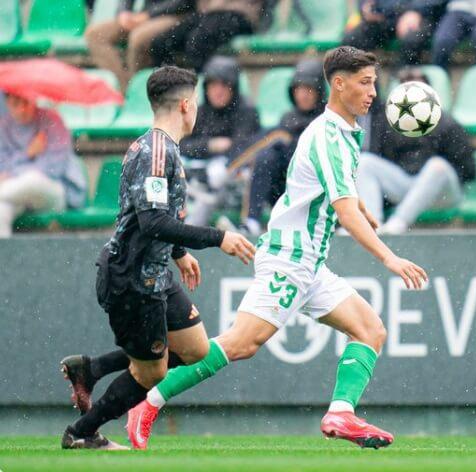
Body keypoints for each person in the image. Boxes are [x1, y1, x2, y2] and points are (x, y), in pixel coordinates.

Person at [125, 46, 429, 451]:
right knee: (240, 343)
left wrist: (362, 208)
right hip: (289, 260)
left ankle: (340, 412)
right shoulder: (327, 136)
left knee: (370, 329)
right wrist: (389, 256)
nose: (374, 92)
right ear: (339, 84)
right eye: (366, 82)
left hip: (310, 264)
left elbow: (335, 192)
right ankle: (148, 400)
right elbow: (342, 208)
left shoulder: (342, 131)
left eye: (374, 82)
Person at [60, 66, 255, 450]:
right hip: (131, 280)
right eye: (195, 101)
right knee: (151, 374)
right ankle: (81, 432)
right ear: (186, 104)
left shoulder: (159, 147)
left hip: (155, 274)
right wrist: (219, 238)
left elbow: (151, 214)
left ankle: (93, 367)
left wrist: (179, 253)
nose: (196, 108)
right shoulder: (156, 151)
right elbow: (151, 221)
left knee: (196, 349)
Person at [358, 66, 475, 234]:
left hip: (443, 193)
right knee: (365, 162)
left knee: (437, 166)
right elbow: (381, 158)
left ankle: (399, 223)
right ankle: (372, 225)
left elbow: (469, 169)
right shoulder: (388, 124)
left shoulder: (446, 123)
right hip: (408, 187)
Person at [239, 58, 327, 236]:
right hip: (285, 192)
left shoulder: (327, 118)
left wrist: (289, 145)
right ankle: (252, 221)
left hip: (317, 195)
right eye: (299, 89)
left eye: (309, 89)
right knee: (266, 155)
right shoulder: (288, 118)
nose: (303, 95)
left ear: (319, 91)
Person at [180, 56, 260, 226]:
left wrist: (211, 154)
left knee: (220, 173)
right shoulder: (200, 112)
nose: (218, 91)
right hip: (199, 178)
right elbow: (182, 145)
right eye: (213, 85)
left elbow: (241, 150)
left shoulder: (246, 111)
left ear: (234, 87)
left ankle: (191, 228)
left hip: (231, 185)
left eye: (224, 85)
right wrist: (210, 145)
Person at [0, 95, 86, 237]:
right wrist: (28, 154)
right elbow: (2, 167)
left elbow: (53, 169)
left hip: (53, 191)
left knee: (33, 179)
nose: (22, 109)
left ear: (34, 100)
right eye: (15, 104)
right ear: (7, 103)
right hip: (15, 196)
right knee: (1, 210)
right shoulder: (3, 127)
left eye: (26, 102)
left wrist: (14, 172)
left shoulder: (53, 121)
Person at [84, 0, 193, 91]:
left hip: (175, 15)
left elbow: (182, 2)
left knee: (137, 38)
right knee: (95, 35)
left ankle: (138, 91)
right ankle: (124, 88)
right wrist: (124, 13)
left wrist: (148, 15)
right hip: (144, 15)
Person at [150, 0, 266, 71]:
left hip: (239, 13)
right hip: (208, 13)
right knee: (161, 43)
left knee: (197, 43)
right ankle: (167, 88)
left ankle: (202, 97)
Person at [342, 0, 447, 65]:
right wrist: (366, 7)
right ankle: (369, 95)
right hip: (385, 16)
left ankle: (402, 90)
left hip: (422, 15)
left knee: (412, 41)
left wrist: (415, 11)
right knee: (353, 40)